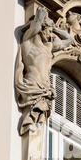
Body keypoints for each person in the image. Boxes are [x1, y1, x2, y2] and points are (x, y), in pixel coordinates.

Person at [15, 7, 74, 135]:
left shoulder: (49, 47)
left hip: (46, 90)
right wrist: (41, 17)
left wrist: (54, 28)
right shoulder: (28, 41)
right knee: (31, 126)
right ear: (42, 28)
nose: (50, 34)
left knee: (38, 126)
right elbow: (35, 26)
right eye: (48, 30)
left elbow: (70, 40)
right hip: (32, 87)